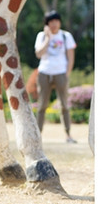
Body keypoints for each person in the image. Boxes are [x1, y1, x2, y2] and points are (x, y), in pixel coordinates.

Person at [34, 10, 77, 143]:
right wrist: (47, 38)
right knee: (42, 105)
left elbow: (71, 56)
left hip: (60, 72)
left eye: (56, 21)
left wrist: (67, 73)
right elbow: (39, 54)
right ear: (47, 24)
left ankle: (68, 135)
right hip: (44, 73)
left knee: (64, 105)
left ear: (60, 22)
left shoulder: (66, 36)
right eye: (51, 22)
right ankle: (37, 136)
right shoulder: (41, 36)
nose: (54, 24)